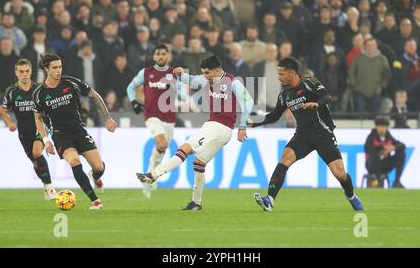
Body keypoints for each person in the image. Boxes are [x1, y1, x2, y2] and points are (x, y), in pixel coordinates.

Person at [137, 56, 254, 210]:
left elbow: (248, 101)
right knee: (199, 163)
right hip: (215, 127)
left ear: (218, 70)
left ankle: (153, 175)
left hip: (220, 127)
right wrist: (179, 73)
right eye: (203, 73)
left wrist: (243, 126)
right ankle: (196, 203)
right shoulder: (206, 80)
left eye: (207, 73)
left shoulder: (232, 82)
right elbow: (190, 79)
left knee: (185, 148)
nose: (205, 76)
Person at [249, 57, 363, 212]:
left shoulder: (309, 83)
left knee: (340, 173)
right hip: (302, 135)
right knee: (285, 158)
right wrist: (254, 122)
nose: (279, 77)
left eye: (281, 74)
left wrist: (317, 103)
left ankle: (351, 196)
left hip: (322, 133)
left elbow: (326, 97)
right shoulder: (285, 94)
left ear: (291, 73)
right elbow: (274, 116)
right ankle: (270, 199)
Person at [33, 53, 117, 210]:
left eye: (60, 67)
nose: (59, 70)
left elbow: (95, 96)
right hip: (60, 135)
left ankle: (95, 176)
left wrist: (107, 118)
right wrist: (46, 140)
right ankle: (95, 201)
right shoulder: (39, 93)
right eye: (55, 68)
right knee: (75, 162)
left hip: (78, 130)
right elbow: (37, 118)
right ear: (46, 69)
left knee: (99, 167)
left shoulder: (70, 82)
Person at [126, 44, 182, 198]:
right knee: (162, 143)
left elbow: (183, 94)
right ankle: (150, 176)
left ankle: (150, 175)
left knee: (163, 148)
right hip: (151, 115)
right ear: (154, 56)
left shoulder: (174, 74)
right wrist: (134, 102)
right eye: (158, 54)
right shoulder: (146, 73)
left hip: (169, 117)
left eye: (163, 54)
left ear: (168, 56)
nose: (160, 56)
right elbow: (130, 87)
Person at [0, 59, 56, 201]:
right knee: (36, 162)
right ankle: (46, 184)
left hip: (39, 128)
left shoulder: (39, 89)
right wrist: (10, 123)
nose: (24, 74)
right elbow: (3, 111)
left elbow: (49, 104)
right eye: (21, 71)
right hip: (24, 133)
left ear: (31, 71)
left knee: (37, 152)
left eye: (27, 71)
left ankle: (50, 187)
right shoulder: (11, 92)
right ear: (16, 73)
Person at [364, 116, 406, 188]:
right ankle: (377, 179)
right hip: (372, 165)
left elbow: (402, 145)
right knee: (375, 155)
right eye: (380, 126)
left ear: (386, 127)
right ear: (376, 127)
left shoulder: (389, 136)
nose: (382, 129)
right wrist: (383, 148)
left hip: (385, 164)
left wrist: (393, 148)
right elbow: (368, 149)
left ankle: (397, 181)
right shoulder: (371, 136)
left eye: (384, 127)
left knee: (401, 154)